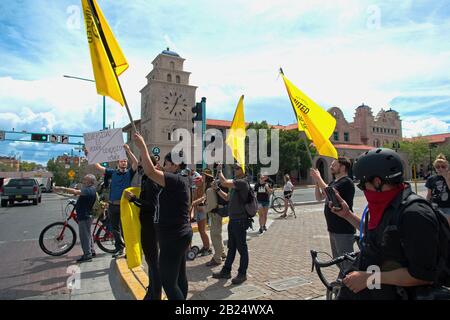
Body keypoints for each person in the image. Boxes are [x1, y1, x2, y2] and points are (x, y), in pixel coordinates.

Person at [329, 148, 443, 300]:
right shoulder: (386, 204)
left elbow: (422, 274)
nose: (363, 190)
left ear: (377, 182)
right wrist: (347, 215)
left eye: (363, 185)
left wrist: (369, 278)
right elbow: (377, 235)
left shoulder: (414, 214)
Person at [133, 133, 192, 300]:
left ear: (175, 165)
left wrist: (143, 147)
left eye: (165, 164)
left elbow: (150, 171)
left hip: (172, 238)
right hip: (178, 235)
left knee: (168, 283)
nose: (163, 167)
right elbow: (153, 174)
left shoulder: (175, 180)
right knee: (180, 277)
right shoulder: (179, 180)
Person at [124, 157, 162, 300]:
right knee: (151, 261)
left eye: (142, 164)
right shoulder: (147, 179)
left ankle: (155, 293)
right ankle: (152, 290)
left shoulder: (151, 181)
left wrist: (134, 199)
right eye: (140, 164)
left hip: (150, 226)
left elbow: (152, 206)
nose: (140, 166)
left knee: (153, 263)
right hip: (148, 225)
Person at [310, 157, 355, 278]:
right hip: (333, 229)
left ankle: (347, 286)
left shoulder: (346, 182)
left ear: (343, 167)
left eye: (334, 164)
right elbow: (319, 197)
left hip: (343, 229)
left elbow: (331, 193)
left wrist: (319, 178)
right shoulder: (333, 182)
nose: (331, 166)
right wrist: (316, 182)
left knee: (346, 262)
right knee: (338, 260)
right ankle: (345, 282)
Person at [91, 144, 138, 258]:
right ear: (118, 163)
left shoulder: (129, 173)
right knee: (114, 229)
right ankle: (119, 249)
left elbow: (136, 163)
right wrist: (90, 154)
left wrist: (128, 150)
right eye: (122, 161)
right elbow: (97, 166)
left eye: (125, 161)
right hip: (112, 206)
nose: (124, 163)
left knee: (125, 228)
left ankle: (128, 250)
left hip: (124, 205)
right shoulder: (112, 172)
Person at [212, 163, 250, 285]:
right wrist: (217, 189)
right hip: (233, 220)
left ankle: (242, 273)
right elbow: (227, 197)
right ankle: (226, 271)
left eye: (237, 168)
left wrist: (219, 170)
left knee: (242, 248)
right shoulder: (235, 184)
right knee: (231, 247)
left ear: (243, 171)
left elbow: (223, 182)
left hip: (240, 221)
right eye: (234, 168)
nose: (235, 169)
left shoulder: (242, 183)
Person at [54, 174, 97, 263]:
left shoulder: (88, 189)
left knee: (84, 236)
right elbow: (79, 196)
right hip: (87, 214)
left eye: (85, 179)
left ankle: (87, 255)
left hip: (84, 216)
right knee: (88, 234)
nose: (83, 181)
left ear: (90, 181)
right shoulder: (91, 189)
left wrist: (62, 188)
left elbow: (75, 191)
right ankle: (91, 251)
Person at [205, 174, 228, 267]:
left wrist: (207, 209)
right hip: (220, 211)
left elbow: (212, 205)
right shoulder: (220, 184)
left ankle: (217, 258)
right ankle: (222, 253)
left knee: (215, 235)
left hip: (215, 213)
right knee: (218, 234)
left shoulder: (210, 189)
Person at [190, 173, 212, 256]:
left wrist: (194, 203)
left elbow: (203, 199)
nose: (195, 182)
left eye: (197, 181)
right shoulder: (196, 189)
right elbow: (194, 201)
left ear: (201, 181)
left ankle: (208, 248)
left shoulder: (204, 188)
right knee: (200, 230)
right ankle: (205, 246)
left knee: (202, 230)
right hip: (198, 212)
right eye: (195, 181)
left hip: (203, 212)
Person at [426, 153, 450, 224]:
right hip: (435, 207)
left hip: (448, 206)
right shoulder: (431, 179)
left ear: (447, 167)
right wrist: (427, 206)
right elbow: (429, 195)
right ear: (435, 167)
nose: (440, 168)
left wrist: (446, 177)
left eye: (443, 166)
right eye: (438, 166)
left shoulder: (448, 177)